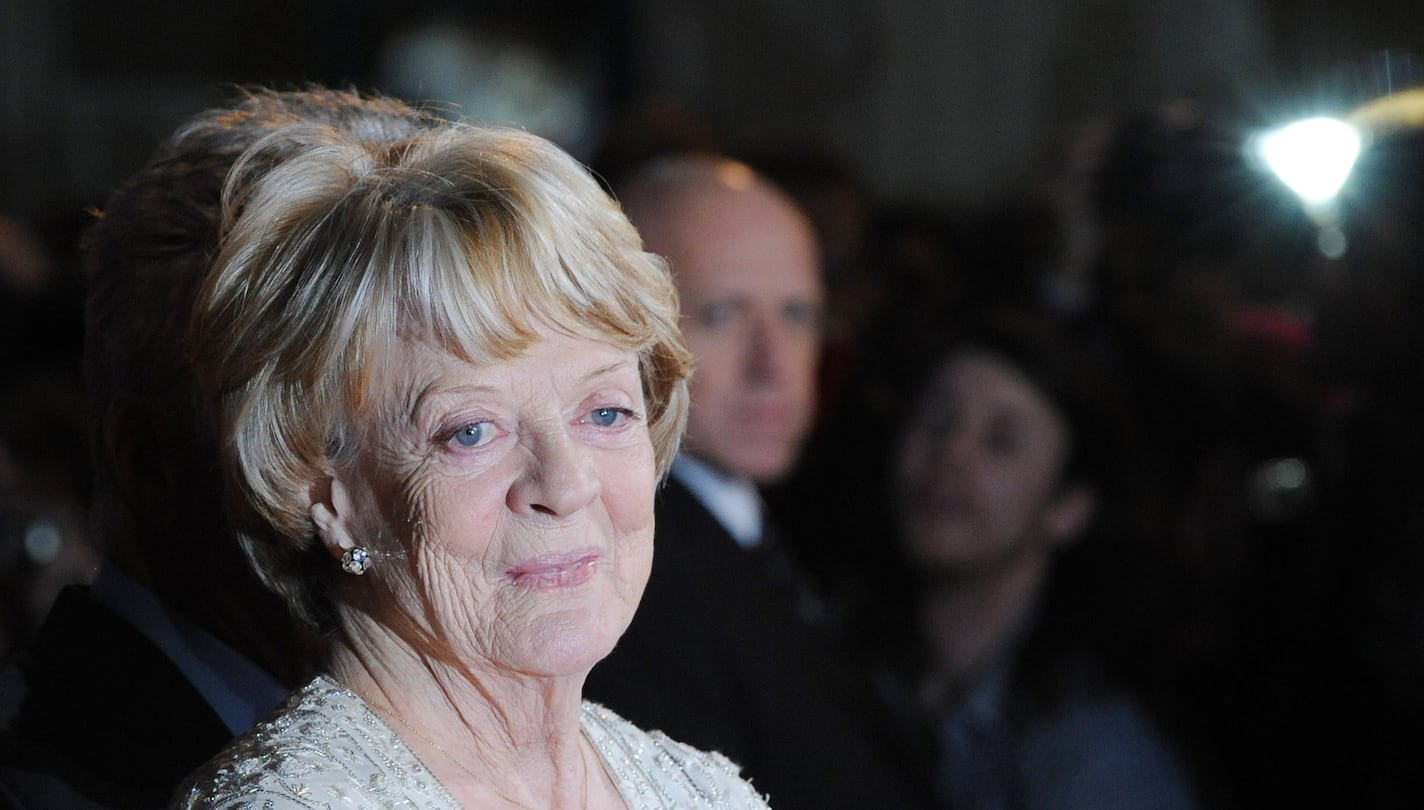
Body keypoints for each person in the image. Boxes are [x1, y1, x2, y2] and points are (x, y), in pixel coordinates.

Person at [169, 116, 768, 808]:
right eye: (471, 431)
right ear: (329, 494)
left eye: (604, 413)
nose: (567, 485)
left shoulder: (706, 793)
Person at [0, 88, 445, 810]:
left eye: (452, 421)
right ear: (151, 460)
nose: (408, 484)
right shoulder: (44, 786)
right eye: (322, 427)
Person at [585, 154, 927, 808]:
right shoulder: (627, 574)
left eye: (798, 315)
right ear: (621, 328)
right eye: (722, 315)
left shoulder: (769, 522)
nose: (774, 364)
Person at [853, 310, 1201, 809]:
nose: (950, 451)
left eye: (1001, 441)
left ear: (1069, 508)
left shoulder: (1098, 763)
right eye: (936, 418)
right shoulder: (839, 653)